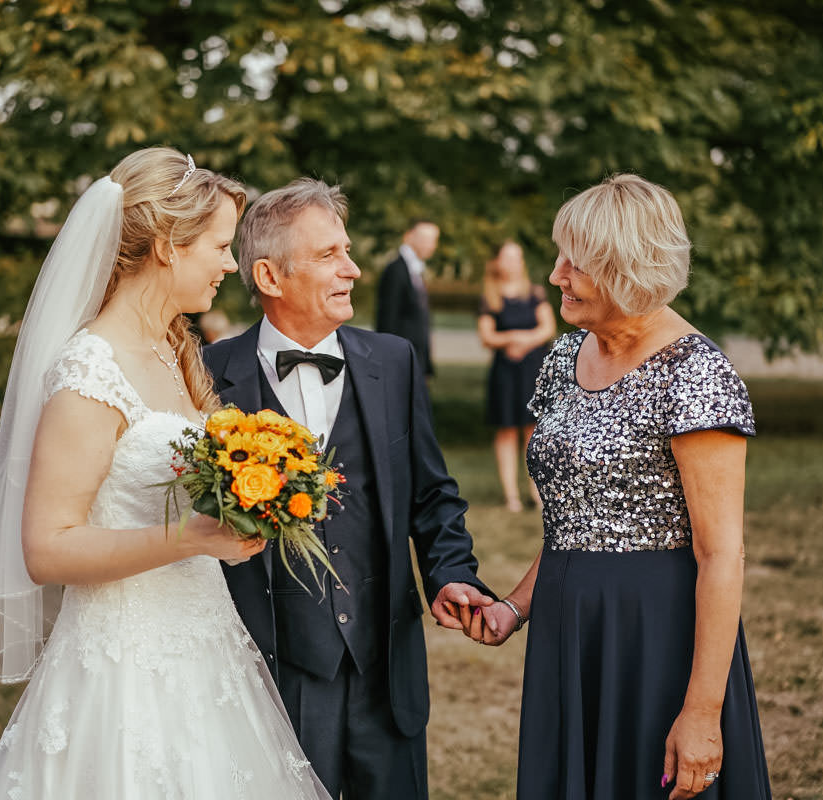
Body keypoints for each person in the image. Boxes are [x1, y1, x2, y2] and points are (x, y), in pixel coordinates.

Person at [0, 148, 330, 799]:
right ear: (167, 246)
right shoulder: (90, 371)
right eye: (220, 246)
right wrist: (191, 538)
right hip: (123, 662)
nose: (230, 264)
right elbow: (48, 548)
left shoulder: (173, 350)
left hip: (205, 641)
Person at [467, 174, 772, 800]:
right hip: (565, 625)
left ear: (628, 268)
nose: (556, 275)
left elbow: (722, 556)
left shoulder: (696, 373)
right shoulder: (561, 358)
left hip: (653, 634)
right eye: (558, 257)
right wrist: (515, 606)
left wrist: (703, 712)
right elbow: (574, 520)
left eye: (574, 263)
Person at [202, 179, 494, 800]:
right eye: (329, 255)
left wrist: (451, 573)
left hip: (385, 667)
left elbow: (432, 495)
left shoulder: (394, 361)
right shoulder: (206, 377)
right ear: (271, 278)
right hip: (271, 670)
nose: (353, 270)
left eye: (348, 250)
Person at [477, 240, 556, 511]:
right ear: (497, 262)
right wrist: (511, 338)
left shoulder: (534, 292)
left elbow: (548, 328)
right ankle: (511, 495)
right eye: (508, 257)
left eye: (517, 257)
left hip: (533, 371)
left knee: (533, 431)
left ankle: (536, 493)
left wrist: (522, 340)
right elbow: (486, 336)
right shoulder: (491, 296)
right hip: (505, 373)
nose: (513, 262)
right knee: (507, 431)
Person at [375, 218, 440, 375]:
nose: (431, 245)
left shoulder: (416, 270)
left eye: (434, 240)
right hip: (400, 362)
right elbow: (387, 320)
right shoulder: (396, 270)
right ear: (408, 236)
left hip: (416, 360)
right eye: (425, 238)